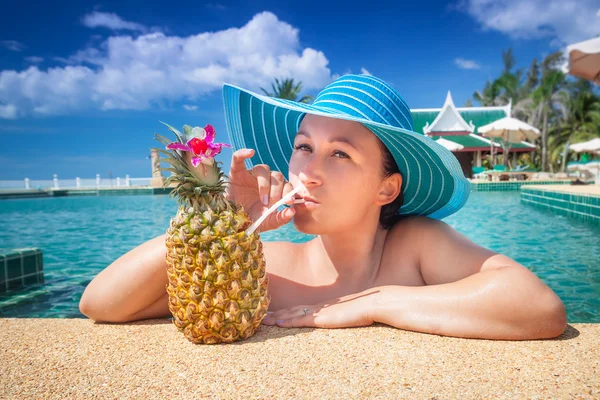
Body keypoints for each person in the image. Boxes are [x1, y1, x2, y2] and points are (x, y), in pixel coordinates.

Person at [80, 74, 566, 340]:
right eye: (304, 147)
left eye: (341, 154)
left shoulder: (413, 245)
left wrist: (375, 304)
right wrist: (224, 225)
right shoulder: (269, 265)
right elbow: (100, 303)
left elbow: (539, 307)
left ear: (387, 189)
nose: (308, 170)